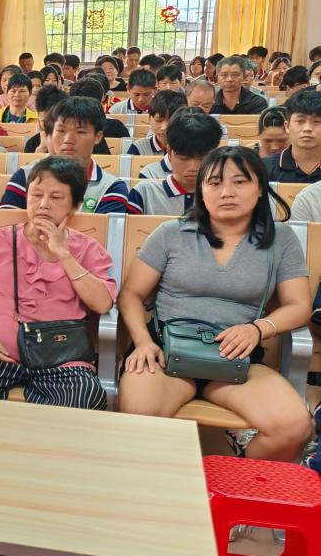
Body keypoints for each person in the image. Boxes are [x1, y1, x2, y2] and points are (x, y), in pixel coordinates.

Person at [117, 147, 313, 461]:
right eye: (215, 183)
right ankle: (163, 494)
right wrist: (141, 342)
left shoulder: (280, 239)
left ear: (259, 188)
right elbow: (131, 294)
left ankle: (234, 485)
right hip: (167, 352)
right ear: (201, 191)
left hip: (235, 357)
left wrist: (258, 328)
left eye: (239, 182)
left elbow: (298, 305)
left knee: (294, 427)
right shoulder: (171, 233)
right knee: (141, 415)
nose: (226, 192)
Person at [0, 157, 117, 408]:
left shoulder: (87, 248)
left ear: (75, 205)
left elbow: (103, 303)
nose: (43, 205)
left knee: (86, 396)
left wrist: (63, 253)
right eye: (36, 195)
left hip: (61, 359)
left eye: (56, 198)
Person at [0, 98, 130, 214]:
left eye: (80, 131)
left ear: (97, 137)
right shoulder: (24, 176)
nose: (68, 139)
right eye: (61, 131)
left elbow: (102, 238)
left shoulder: (111, 187)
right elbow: (7, 231)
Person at [126, 111, 222, 216]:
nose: (193, 167)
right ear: (169, 153)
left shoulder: (225, 195)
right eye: (184, 158)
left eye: (202, 158)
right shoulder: (144, 193)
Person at [262, 88, 321, 183]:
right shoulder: (263, 168)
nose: (307, 128)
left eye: (317, 121)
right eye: (300, 121)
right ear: (287, 126)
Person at [125, 90, 185, 157]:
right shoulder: (138, 148)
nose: (164, 127)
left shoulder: (191, 146)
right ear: (150, 119)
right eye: (158, 120)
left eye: (171, 121)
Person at [20, 85, 65, 153]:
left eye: (54, 120)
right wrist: (41, 150)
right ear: (38, 119)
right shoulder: (33, 144)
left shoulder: (70, 141)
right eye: (44, 121)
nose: (49, 125)